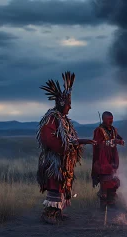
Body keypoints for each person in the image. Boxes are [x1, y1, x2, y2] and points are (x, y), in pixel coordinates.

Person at [37, 71, 95, 224]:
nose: (70, 107)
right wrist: (72, 144)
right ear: (62, 103)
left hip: (65, 160)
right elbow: (47, 137)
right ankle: (48, 214)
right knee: (55, 185)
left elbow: (70, 138)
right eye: (68, 104)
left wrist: (79, 142)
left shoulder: (64, 120)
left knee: (63, 185)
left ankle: (58, 212)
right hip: (56, 160)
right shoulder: (51, 118)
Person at [91, 111, 124, 209]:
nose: (111, 121)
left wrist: (120, 140)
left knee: (114, 180)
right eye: (109, 119)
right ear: (104, 119)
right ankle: (103, 206)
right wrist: (113, 141)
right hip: (103, 159)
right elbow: (98, 144)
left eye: (112, 119)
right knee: (105, 181)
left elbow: (117, 137)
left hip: (113, 158)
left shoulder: (113, 129)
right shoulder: (99, 130)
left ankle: (111, 202)